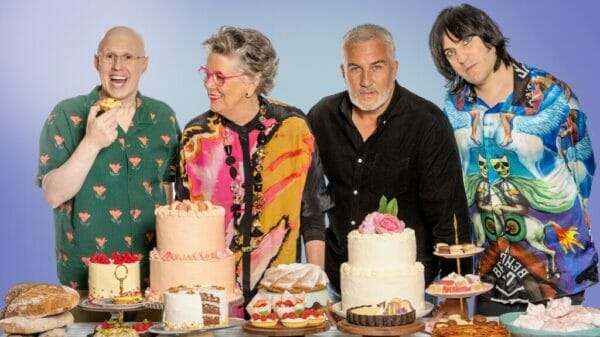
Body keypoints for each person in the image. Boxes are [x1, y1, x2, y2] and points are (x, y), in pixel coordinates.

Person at [429, 4, 598, 315]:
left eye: (466, 41)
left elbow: (581, 166)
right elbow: (453, 178)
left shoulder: (550, 93)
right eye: (450, 53)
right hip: (490, 268)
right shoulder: (454, 107)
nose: (462, 57)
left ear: (488, 37)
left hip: (555, 265)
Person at [307, 24, 471, 308]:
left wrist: (454, 298)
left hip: (413, 292)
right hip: (338, 287)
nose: (366, 81)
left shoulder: (427, 123)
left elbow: (450, 218)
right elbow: (309, 202)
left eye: (377, 67)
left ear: (395, 69)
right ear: (343, 72)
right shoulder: (321, 117)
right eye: (355, 69)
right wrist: (315, 282)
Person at [175, 26, 330, 314]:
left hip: (281, 296)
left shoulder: (293, 127)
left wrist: (315, 289)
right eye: (206, 73)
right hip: (213, 296)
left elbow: (313, 214)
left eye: (220, 77)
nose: (209, 84)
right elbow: (184, 225)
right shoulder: (195, 137)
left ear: (252, 82)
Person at [36, 26, 180, 311]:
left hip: (153, 284)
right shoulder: (66, 114)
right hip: (85, 285)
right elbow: (53, 194)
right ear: (96, 62)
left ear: (144, 64)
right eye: (110, 56)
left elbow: (170, 191)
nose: (118, 67)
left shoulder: (163, 116)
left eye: (128, 57)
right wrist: (91, 142)